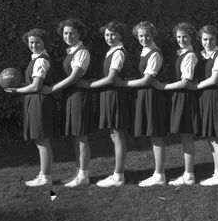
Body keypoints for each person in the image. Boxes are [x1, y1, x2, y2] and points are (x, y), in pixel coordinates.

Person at [42, 18, 96, 188]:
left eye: (72, 33)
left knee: (81, 137)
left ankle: (84, 176)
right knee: (75, 137)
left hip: (79, 95)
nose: (68, 36)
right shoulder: (71, 51)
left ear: (79, 34)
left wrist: (52, 89)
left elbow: (74, 76)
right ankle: (79, 173)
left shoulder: (82, 52)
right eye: (65, 33)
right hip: (71, 95)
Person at [76, 21, 130, 187]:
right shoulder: (111, 51)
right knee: (114, 135)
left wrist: (89, 85)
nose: (109, 37)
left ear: (120, 35)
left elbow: (112, 78)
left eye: (113, 34)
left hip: (114, 95)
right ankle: (117, 174)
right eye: (107, 34)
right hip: (108, 94)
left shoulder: (118, 52)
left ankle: (119, 176)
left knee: (117, 135)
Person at [115, 21, 167, 187]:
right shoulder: (145, 50)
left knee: (156, 134)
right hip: (145, 95)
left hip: (152, 95)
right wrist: (130, 80)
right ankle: (157, 173)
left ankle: (159, 175)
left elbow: (146, 80)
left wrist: (123, 84)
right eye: (140, 36)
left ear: (153, 35)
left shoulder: (155, 53)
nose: (143, 38)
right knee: (152, 135)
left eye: (147, 35)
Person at [5, 28, 57, 187]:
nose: (33, 45)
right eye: (31, 42)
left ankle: (46, 177)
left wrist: (16, 90)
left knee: (42, 140)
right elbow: (33, 85)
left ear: (44, 43)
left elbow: (36, 86)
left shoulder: (41, 60)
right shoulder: (36, 58)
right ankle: (44, 174)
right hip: (36, 101)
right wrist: (21, 85)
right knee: (40, 140)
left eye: (37, 42)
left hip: (39, 101)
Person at [152, 22, 201, 186]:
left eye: (185, 36)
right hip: (178, 97)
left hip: (185, 98)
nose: (181, 39)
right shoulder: (181, 54)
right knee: (183, 135)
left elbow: (185, 82)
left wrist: (162, 87)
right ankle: (188, 173)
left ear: (191, 37)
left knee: (187, 136)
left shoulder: (190, 56)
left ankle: (189, 175)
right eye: (179, 37)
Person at [189, 25, 218, 186]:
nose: (208, 42)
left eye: (211, 39)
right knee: (209, 136)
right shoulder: (201, 56)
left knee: (216, 137)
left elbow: (214, 79)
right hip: (203, 98)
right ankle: (217, 173)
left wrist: (195, 87)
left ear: (216, 39)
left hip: (214, 97)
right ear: (200, 40)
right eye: (205, 39)